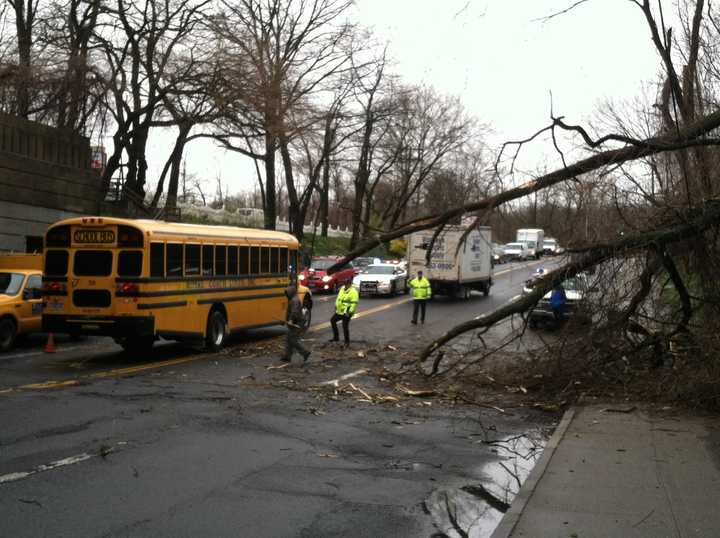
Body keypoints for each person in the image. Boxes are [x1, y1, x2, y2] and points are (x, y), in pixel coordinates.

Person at [281, 286, 311, 363]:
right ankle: (287, 357)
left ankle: (305, 352)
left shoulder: (295, 300)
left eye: (287, 293)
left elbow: (294, 312)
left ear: (291, 293)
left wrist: (290, 320)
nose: (286, 295)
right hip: (295, 322)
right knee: (289, 339)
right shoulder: (293, 299)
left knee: (292, 340)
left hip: (297, 322)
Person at [329, 280, 359, 346]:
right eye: (345, 284)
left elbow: (354, 303)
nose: (346, 285)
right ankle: (336, 337)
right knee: (332, 320)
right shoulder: (342, 289)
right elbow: (338, 299)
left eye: (347, 284)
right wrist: (336, 306)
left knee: (345, 326)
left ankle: (347, 342)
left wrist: (349, 312)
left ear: (350, 284)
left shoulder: (353, 292)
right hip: (340, 311)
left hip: (347, 312)